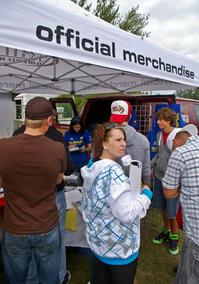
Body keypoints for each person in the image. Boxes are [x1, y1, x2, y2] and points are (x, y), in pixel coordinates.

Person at [0, 97, 66, 284]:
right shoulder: (57, 148)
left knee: (16, 280)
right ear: (48, 121)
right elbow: (59, 179)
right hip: (46, 226)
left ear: (26, 120)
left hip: (15, 227)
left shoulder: (3, 146)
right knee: (48, 279)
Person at [81, 122, 153, 284]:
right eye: (118, 140)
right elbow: (126, 213)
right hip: (120, 249)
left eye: (124, 139)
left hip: (99, 243)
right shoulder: (114, 172)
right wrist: (146, 196)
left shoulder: (93, 167)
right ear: (104, 144)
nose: (124, 144)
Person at [13, 109, 75, 284]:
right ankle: (59, 275)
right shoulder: (56, 136)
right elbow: (70, 168)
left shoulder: (17, 134)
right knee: (57, 237)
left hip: (24, 196)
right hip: (52, 194)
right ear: (49, 118)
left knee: (30, 237)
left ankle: (32, 278)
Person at [162, 126, 199, 284]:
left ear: (176, 142)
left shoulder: (180, 153)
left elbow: (169, 193)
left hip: (196, 233)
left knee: (190, 276)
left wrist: (183, 187)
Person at [151, 107, 180, 255]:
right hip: (159, 176)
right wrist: (149, 165)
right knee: (162, 207)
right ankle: (166, 230)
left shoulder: (178, 136)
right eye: (158, 119)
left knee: (172, 211)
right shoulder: (158, 135)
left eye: (160, 119)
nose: (158, 121)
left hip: (173, 180)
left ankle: (174, 237)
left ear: (168, 120)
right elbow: (159, 155)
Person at [109, 100, 151, 186]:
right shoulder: (143, 140)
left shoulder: (103, 138)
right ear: (130, 116)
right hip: (135, 187)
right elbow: (146, 169)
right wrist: (147, 185)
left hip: (111, 188)